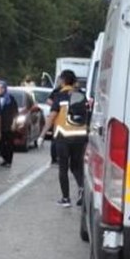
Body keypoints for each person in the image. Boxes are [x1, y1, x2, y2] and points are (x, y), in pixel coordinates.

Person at [44, 70, 88, 206]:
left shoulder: (59, 95)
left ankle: (66, 198)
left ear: (62, 80)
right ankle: (81, 189)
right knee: (76, 166)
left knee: (63, 167)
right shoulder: (81, 95)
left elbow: (52, 116)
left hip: (63, 136)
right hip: (80, 136)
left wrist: (42, 134)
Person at [0, 80, 17, 167]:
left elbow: (15, 112)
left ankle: (8, 161)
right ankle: (3, 157)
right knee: (0, 142)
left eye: (2, 88)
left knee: (9, 143)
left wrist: (14, 123)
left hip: (9, 124)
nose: (0, 89)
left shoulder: (10, 99)